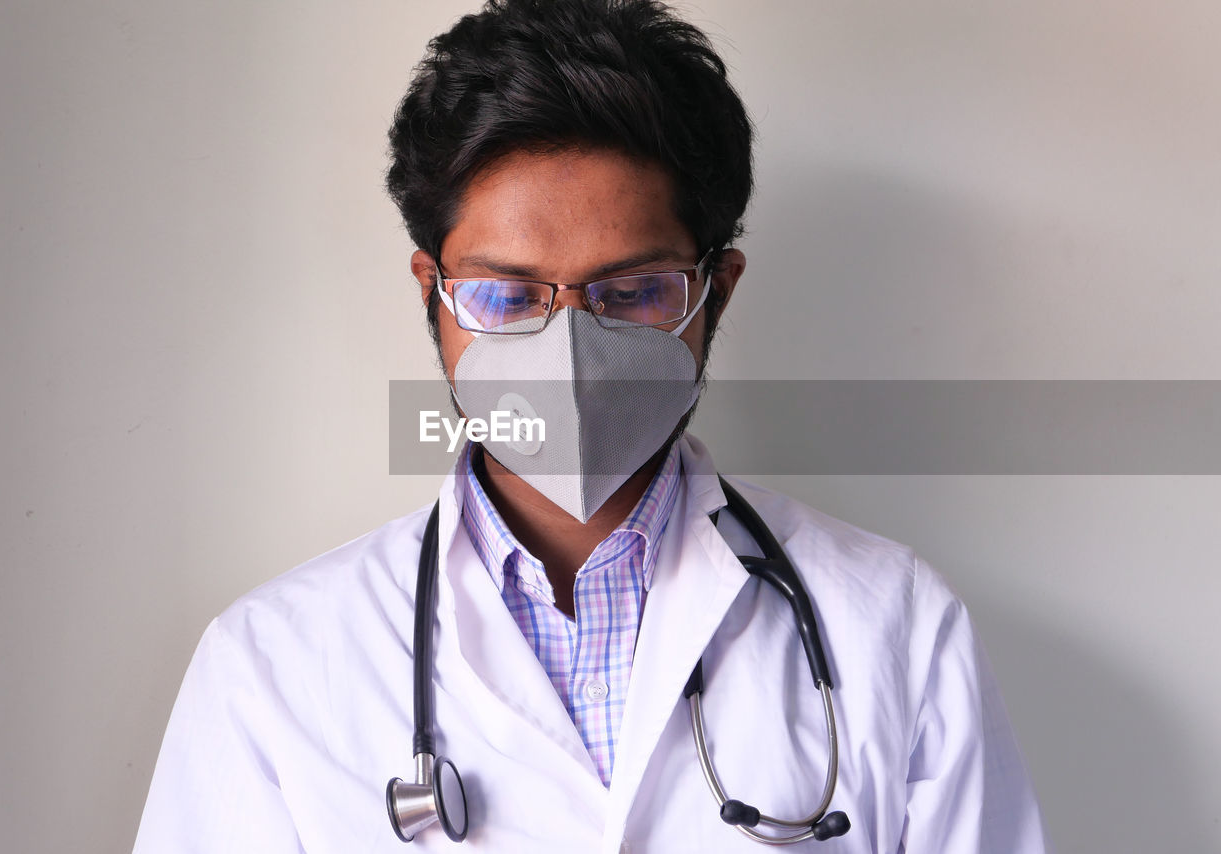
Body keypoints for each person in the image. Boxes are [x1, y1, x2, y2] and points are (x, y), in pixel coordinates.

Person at [133, 1, 1050, 851]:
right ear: (435, 294)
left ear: (713, 293)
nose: (567, 351)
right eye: (507, 294)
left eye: (634, 292)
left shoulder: (895, 628)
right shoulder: (269, 668)